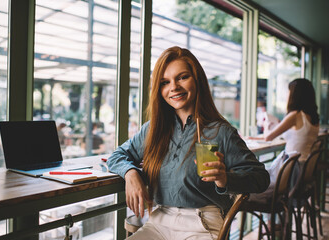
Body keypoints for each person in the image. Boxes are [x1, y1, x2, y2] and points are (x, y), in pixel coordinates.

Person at [107, 46, 270, 239]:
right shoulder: (152, 130)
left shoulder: (221, 132)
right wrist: (130, 173)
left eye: (182, 77)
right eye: (165, 82)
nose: (174, 87)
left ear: (197, 79)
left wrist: (224, 178)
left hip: (203, 223)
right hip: (158, 222)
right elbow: (117, 156)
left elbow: (260, 178)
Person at [250, 78, 320, 202]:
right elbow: (298, 135)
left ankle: (274, 218)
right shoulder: (314, 118)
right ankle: (276, 219)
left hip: (291, 171)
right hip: (302, 169)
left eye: (289, 91)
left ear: (295, 94)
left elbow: (268, 137)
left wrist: (268, 125)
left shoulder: (295, 115)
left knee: (254, 178)